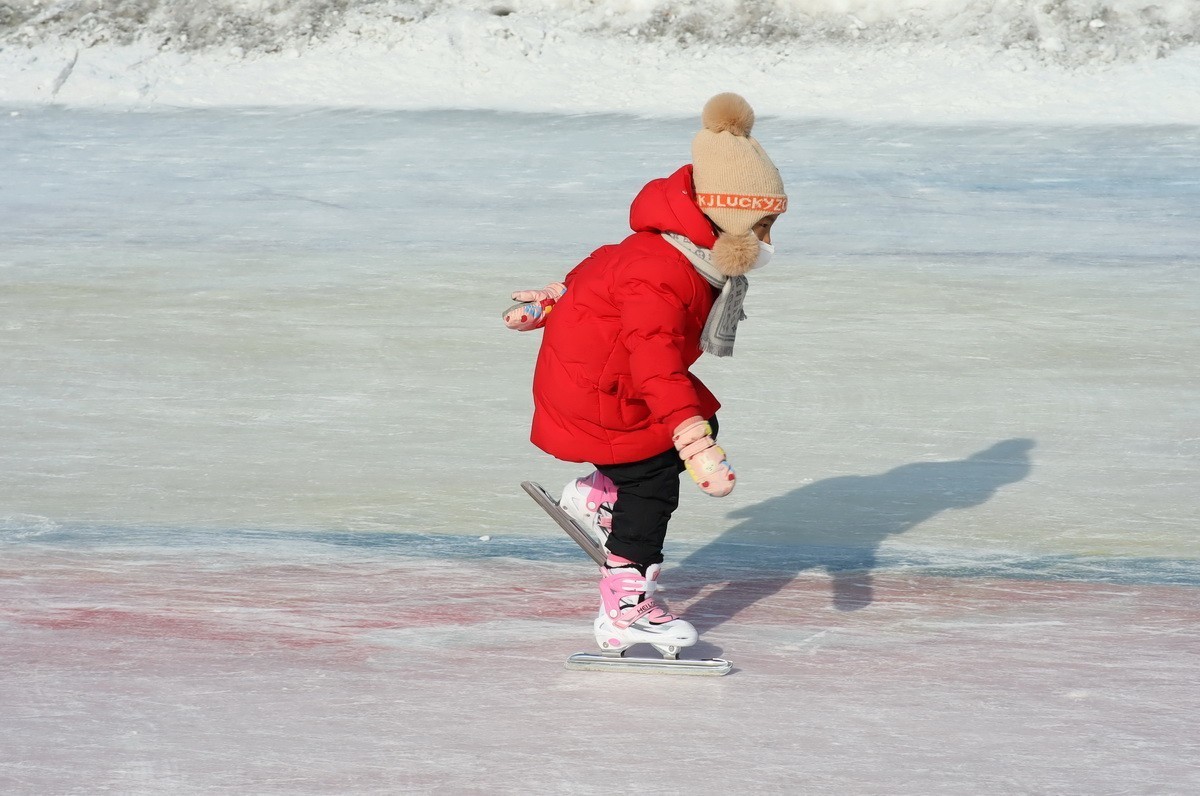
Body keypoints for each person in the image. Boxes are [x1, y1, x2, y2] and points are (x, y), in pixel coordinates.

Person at [504, 92, 787, 658]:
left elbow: (596, 272)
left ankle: (599, 492)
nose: (765, 241)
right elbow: (654, 354)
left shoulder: (666, 248)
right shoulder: (662, 272)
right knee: (655, 480)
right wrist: (690, 439)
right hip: (602, 391)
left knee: (691, 417)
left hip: (599, 376)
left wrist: (556, 299)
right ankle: (626, 605)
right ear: (726, 219)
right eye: (760, 226)